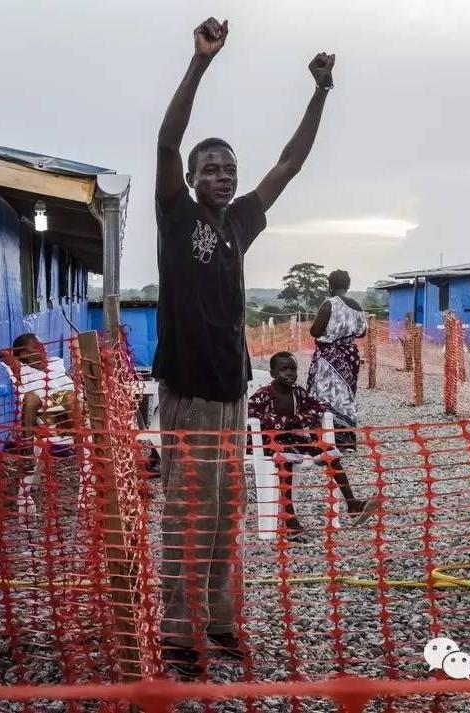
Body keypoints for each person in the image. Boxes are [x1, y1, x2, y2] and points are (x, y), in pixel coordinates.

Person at [150, 15, 336, 679]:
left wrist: (321, 93)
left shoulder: (239, 223)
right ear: (193, 176)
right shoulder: (175, 213)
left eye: (229, 168)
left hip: (231, 396)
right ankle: (178, 635)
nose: (223, 176)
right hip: (187, 394)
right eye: (212, 168)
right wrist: (200, 62)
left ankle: (221, 622)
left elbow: (288, 163)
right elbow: (169, 139)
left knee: (226, 512)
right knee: (187, 513)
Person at [250, 352, 373, 539]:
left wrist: (298, 419)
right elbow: (253, 415)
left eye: (293, 369)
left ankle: (352, 503)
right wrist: (283, 422)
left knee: (329, 452)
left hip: (296, 439)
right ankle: (290, 521)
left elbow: (318, 407)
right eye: (284, 370)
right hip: (271, 442)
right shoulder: (264, 395)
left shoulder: (298, 392)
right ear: (273, 373)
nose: (290, 374)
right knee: (286, 460)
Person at [306, 270, 369, 450]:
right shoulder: (357, 306)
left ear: (330, 286)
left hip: (329, 356)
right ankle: (345, 438)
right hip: (350, 355)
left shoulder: (329, 304)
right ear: (347, 285)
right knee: (346, 395)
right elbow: (362, 331)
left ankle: (325, 437)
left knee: (325, 394)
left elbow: (315, 331)